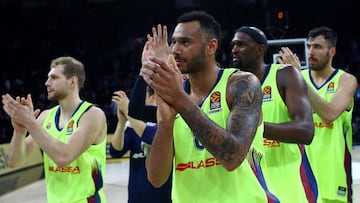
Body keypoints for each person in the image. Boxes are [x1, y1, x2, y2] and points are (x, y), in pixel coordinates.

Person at [141, 10, 270, 202]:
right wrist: (166, 124)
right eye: (173, 42)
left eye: (185, 42)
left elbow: (232, 157)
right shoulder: (175, 95)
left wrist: (179, 98)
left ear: (211, 46)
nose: (175, 50)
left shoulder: (241, 84)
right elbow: (156, 179)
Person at [231, 26, 319, 203]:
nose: (234, 49)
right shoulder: (231, 84)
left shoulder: (284, 75)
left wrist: (252, 127)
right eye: (233, 45)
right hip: (252, 188)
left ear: (260, 49)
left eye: (241, 44)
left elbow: (305, 130)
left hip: (289, 185)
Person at [2, 56, 107, 203]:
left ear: (72, 81)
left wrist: (29, 122)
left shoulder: (92, 115)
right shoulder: (46, 117)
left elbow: (64, 157)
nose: (47, 83)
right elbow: (15, 162)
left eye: (54, 77)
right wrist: (20, 131)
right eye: (48, 78)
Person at [278, 26, 357, 203]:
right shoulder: (297, 79)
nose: (311, 52)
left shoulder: (345, 81)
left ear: (332, 51)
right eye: (309, 46)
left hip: (334, 184)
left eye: (318, 47)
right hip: (300, 183)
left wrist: (298, 78)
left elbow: (329, 114)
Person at [109, 87, 171, 203]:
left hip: (163, 196)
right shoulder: (132, 125)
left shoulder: (165, 122)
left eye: (141, 97)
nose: (137, 102)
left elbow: (150, 137)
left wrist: (128, 111)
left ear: (153, 98)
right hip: (136, 196)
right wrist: (122, 123)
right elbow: (115, 151)